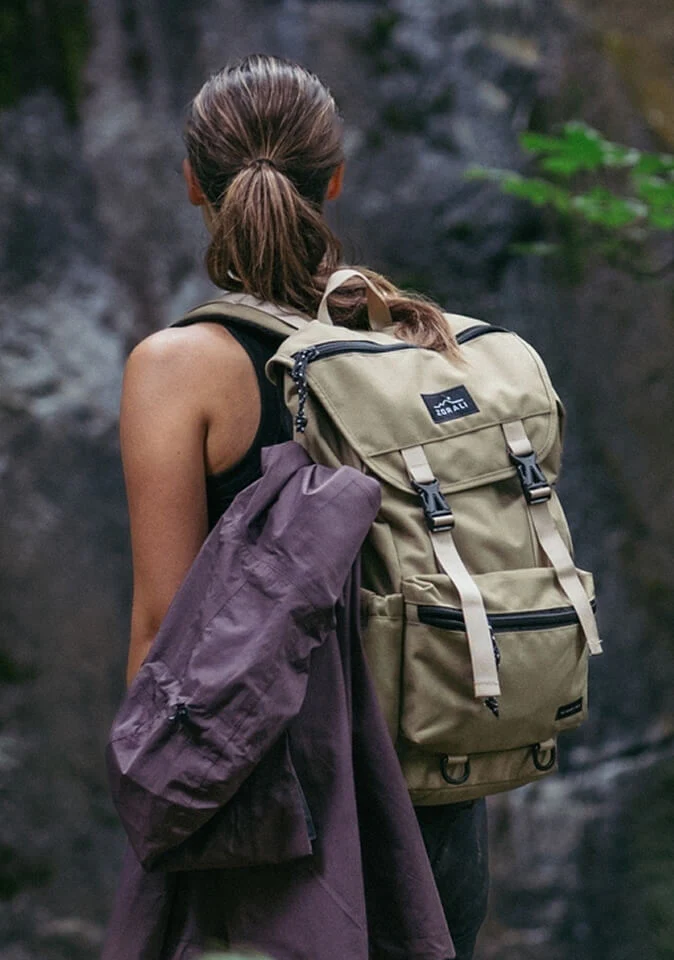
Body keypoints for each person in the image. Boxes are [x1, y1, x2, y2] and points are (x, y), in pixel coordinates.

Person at [120, 54, 489, 960]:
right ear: (335, 179)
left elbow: (165, 626)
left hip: (276, 813)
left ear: (191, 183)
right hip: (437, 804)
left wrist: (155, 794)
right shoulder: (414, 344)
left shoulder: (178, 368)